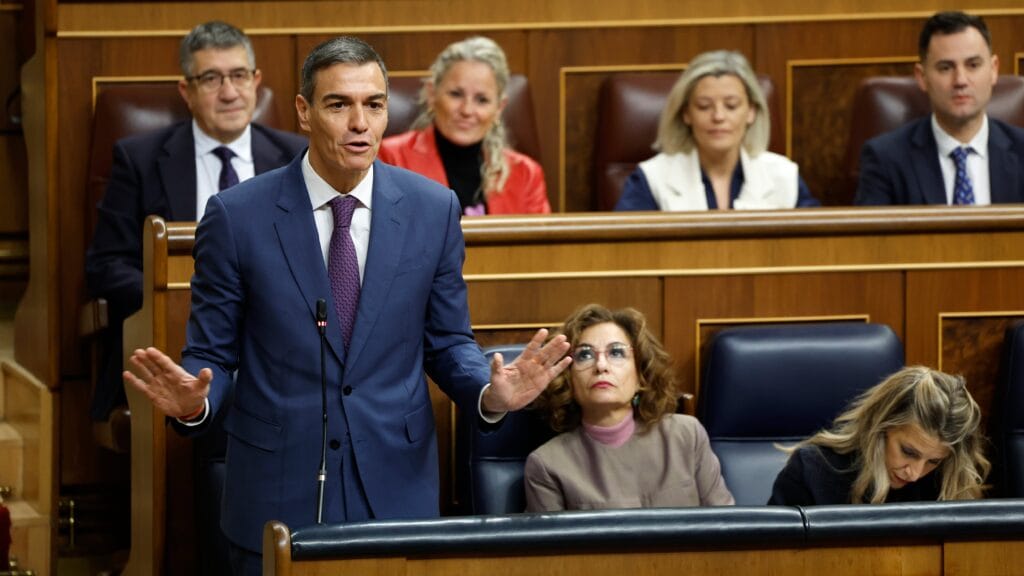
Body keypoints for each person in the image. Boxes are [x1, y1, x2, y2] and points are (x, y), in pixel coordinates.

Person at [121, 36, 571, 575]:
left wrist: (488, 394)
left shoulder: (433, 209)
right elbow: (210, 355)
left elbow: (448, 342)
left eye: (374, 105)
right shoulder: (237, 216)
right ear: (304, 112)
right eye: (339, 104)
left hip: (396, 488)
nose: (360, 122)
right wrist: (195, 404)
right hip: (276, 492)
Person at [84, 21, 307, 421]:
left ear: (256, 81)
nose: (229, 92)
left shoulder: (297, 157)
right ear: (186, 91)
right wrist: (185, 299)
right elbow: (106, 266)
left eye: (239, 75)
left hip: (282, 348)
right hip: (177, 341)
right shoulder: (140, 159)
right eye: (211, 78)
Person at [524, 304, 734, 511]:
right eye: (585, 355)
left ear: (641, 375)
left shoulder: (686, 435)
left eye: (616, 352)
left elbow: (728, 529)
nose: (601, 366)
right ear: (567, 379)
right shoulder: (547, 465)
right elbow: (554, 546)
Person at [855, 11, 1024, 205]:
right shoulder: (886, 159)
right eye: (945, 68)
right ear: (922, 77)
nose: (960, 80)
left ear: (993, 70)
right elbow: (873, 236)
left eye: (973, 65)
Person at [615, 50, 819, 211]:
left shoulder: (784, 175)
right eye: (704, 106)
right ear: (686, 113)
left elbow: (815, 246)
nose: (718, 116)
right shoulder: (652, 177)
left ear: (751, 112)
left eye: (731, 106)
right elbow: (626, 252)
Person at [768, 366, 990, 506]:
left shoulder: (947, 480)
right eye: (908, 452)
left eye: (933, 461)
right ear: (881, 426)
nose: (914, 474)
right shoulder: (812, 470)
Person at [378, 36, 550, 215]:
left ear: (499, 108)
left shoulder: (527, 175)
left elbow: (539, 243)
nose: (467, 110)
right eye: (456, 94)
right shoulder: (390, 159)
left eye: (482, 100)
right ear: (432, 94)